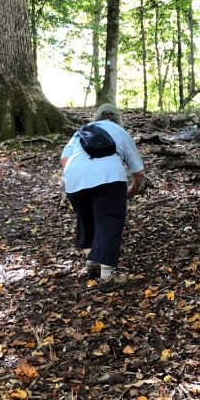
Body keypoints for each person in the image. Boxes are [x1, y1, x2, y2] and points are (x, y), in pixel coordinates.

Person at [60, 104, 144, 286]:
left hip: (75, 178)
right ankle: (107, 276)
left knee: (86, 218)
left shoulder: (82, 131)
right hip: (110, 178)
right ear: (118, 118)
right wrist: (132, 189)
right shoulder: (121, 132)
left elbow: (64, 159)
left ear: (96, 118)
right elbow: (138, 171)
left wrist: (81, 175)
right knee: (109, 221)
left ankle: (92, 263)